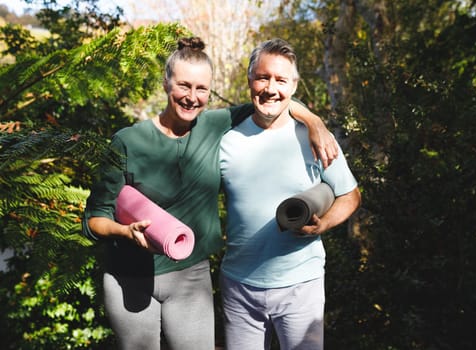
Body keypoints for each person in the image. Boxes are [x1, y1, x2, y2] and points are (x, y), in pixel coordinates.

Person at [82, 37, 337, 350]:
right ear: (166, 83)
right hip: (129, 276)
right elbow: (95, 217)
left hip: (191, 278)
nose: (192, 97)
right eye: (183, 86)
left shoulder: (215, 126)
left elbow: (272, 99)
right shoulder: (127, 141)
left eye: (201, 89)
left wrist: (314, 121)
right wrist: (124, 231)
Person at [219, 38, 362, 350]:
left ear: (294, 85)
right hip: (238, 286)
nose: (271, 88)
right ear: (249, 80)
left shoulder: (318, 140)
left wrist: (324, 224)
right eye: (262, 77)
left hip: (302, 286)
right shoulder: (226, 140)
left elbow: (350, 195)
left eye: (281, 80)